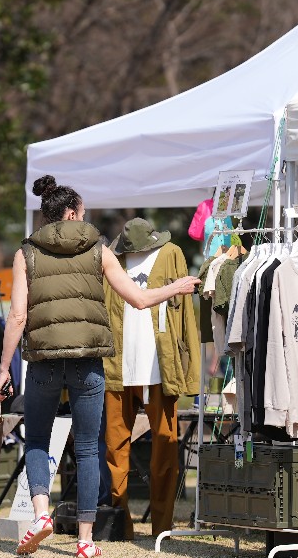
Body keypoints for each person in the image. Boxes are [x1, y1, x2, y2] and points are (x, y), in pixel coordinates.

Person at [0, 176, 200, 557]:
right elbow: (138, 299)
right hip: (88, 362)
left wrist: (5, 370)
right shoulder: (99, 250)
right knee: (89, 447)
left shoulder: (26, 254)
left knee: (37, 440)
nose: (84, 219)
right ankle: (85, 541)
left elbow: (18, 317)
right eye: (82, 213)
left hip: (43, 362)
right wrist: (177, 287)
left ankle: (41, 515)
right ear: (71, 213)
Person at [103, 217, 201, 540]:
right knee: (115, 448)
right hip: (118, 367)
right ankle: (121, 524)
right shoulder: (110, 259)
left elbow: (186, 315)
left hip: (160, 366)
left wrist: (190, 369)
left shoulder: (171, 254)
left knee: (165, 447)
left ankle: (162, 526)